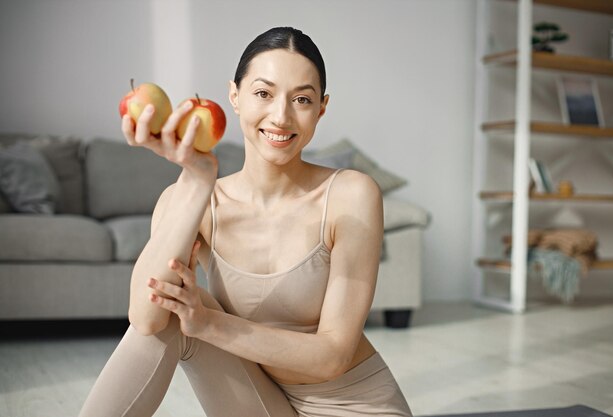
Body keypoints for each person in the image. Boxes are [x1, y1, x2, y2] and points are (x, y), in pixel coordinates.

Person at [79, 26, 412, 417]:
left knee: (195, 311)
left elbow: (332, 357)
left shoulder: (351, 193)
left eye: (301, 99)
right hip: (262, 401)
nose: (281, 116)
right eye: (263, 93)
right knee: (176, 304)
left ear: (321, 108)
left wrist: (207, 324)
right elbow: (147, 319)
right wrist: (196, 180)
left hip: (353, 406)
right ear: (234, 96)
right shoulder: (192, 198)